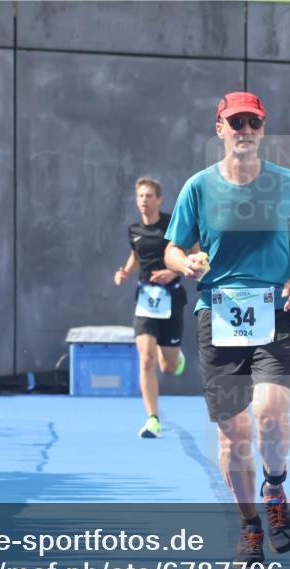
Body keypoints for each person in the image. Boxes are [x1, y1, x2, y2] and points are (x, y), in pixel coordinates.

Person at [164, 92, 290, 564]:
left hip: (275, 310)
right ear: (220, 129)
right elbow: (171, 249)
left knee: (271, 412)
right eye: (236, 123)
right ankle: (250, 524)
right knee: (233, 434)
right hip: (218, 314)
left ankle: (275, 490)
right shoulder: (197, 187)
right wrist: (185, 261)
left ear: (263, 130)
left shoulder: (285, 182)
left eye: (253, 122)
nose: (245, 131)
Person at [113, 177, 188, 438]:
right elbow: (136, 254)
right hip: (145, 300)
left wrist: (172, 272)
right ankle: (152, 419)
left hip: (171, 298)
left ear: (159, 199)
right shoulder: (133, 230)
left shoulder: (172, 225)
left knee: (167, 366)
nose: (144, 201)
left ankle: (175, 358)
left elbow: (191, 255)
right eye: (140, 196)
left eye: (149, 196)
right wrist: (124, 271)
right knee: (145, 360)